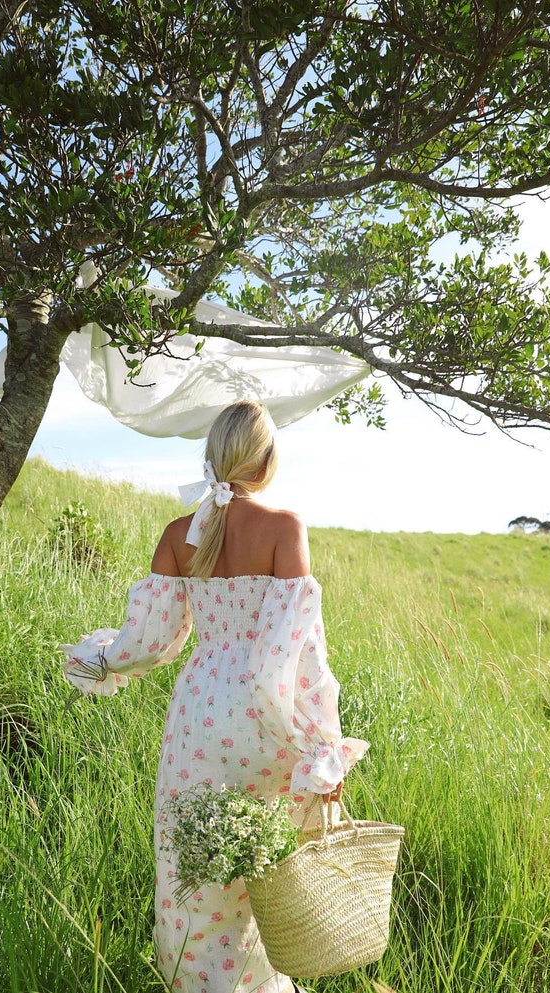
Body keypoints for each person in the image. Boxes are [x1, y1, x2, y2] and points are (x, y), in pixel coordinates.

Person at [61, 399, 368, 993]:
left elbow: (150, 641)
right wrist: (321, 744)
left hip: (200, 713)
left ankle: (198, 983)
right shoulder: (285, 528)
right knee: (266, 865)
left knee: (193, 865)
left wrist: (98, 659)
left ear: (209, 457)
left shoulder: (180, 534)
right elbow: (297, 651)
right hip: (264, 717)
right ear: (267, 458)